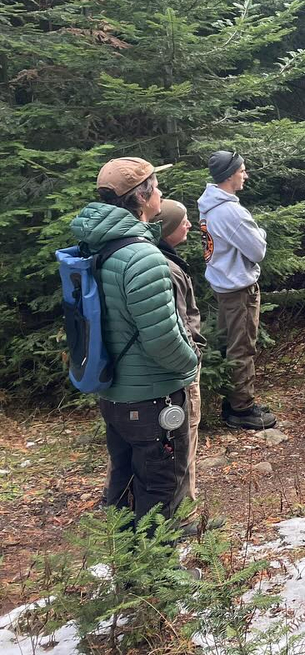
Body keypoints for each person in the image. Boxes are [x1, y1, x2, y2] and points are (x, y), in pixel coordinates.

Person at [71, 158, 196, 520]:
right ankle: (159, 576)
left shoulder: (95, 247)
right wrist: (191, 363)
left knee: (124, 487)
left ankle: (128, 572)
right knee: (160, 488)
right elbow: (162, 340)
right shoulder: (143, 258)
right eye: (156, 187)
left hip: (113, 392)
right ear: (142, 198)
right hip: (151, 397)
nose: (160, 193)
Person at [198, 151, 275, 431]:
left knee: (231, 343)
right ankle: (241, 409)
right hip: (239, 289)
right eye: (242, 170)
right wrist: (261, 233)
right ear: (230, 174)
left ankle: (234, 401)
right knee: (242, 346)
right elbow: (257, 250)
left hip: (222, 285)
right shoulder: (230, 211)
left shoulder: (209, 207)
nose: (246, 174)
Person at [155, 200, 207, 502]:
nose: (190, 225)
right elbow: (177, 321)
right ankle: (183, 509)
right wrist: (193, 355)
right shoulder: (168, 268)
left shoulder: (164, 260)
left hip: (181, 364)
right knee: (185, 434)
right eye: (183, 221)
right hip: (183, 369)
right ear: (168, 229)